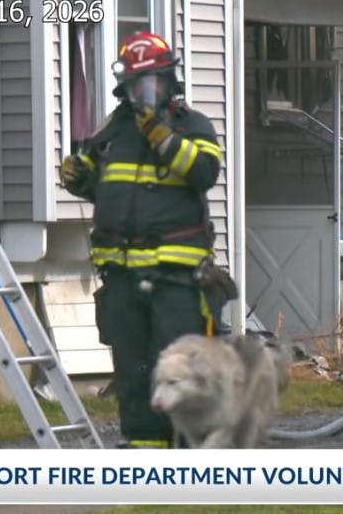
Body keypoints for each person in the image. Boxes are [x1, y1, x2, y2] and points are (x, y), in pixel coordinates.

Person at [59, 30, 229, 448]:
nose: (144, 92)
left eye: (152, 82)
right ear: (126, 87)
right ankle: (144, 453)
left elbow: (204, 173)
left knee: (179, 368)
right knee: (133, 368)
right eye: (137, 83)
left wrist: (164, 139)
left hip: (179, 279)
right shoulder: (114, 132)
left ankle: (193, 456)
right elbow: (104, 188)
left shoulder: (193, 125)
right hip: (121, 275)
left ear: (169, 82)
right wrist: (79, 178)